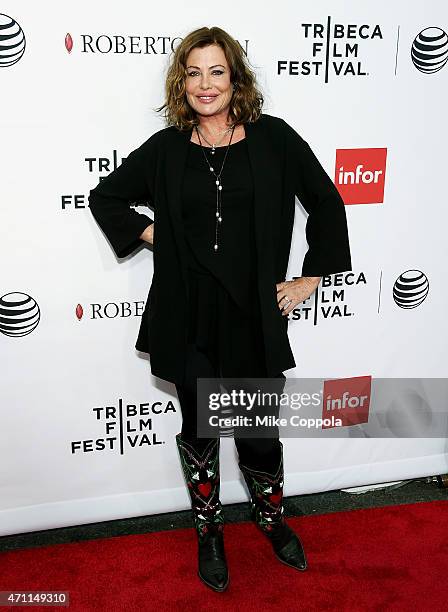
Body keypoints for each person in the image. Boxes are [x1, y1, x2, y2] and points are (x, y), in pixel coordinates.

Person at [88, 26, 352, 592]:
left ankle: (270, 517)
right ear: (181, 82)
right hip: (186, 314)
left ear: (236, 78)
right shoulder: (166, 148)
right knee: (200, 428)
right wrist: (153, 232)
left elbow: (326, 201)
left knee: (257, 430)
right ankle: (209, 530)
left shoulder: (274, 140)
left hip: (252, 313)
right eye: (193, 72)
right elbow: (105, 196)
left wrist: (311, 275)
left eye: (216, 72)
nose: (205, 84)